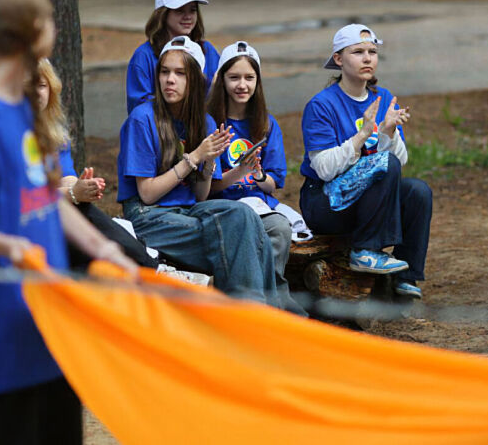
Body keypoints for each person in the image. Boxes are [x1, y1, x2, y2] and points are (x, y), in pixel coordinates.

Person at [0, 0, 136, 445]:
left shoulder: (27, 112)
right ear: (27, 32)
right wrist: (17, 247)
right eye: (47, 17)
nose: (54, 26)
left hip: (49, 313)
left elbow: (45, 197)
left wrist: (104, 246)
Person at [117, 35, 279, 304]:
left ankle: (254, 314)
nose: (170, 80)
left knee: (243, 215)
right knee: (239, 241)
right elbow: (146, 194)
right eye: (165, 72)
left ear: (195, 80)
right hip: (148, 215)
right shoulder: (142, 118)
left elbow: (201, 195)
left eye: (180, 73)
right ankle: (258, 315)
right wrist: (193, 157)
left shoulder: (204, 121)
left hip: (189, 210)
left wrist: (210, 161)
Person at [299, 24, 432, 299]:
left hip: (367, 200)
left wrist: (388, 131)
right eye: (358, 52)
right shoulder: (322, 105)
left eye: (372, 51)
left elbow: (400, 160)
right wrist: (362, 135)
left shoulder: (382, 98)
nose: (368, 58)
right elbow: (323, 170)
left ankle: (405, 278)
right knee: (385, 164)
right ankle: (366, 251)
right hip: (324, 203)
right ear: (338, 59)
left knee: (418, 191)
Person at [33, 57, 161, 270]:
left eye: (42, 85)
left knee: (82, 209)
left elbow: (66, 177)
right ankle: (146, 262)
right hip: (28, 229)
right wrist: (72, 194)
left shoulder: (54, 134)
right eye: (29, 85)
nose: (36, 92)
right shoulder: (8, 134)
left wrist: (80, 188)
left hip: (57, 217)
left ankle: (143, 260)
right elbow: (28, 197)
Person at [207, 40, 306, 314]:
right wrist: (238, 172)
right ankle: (274, 305)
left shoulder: (266, 123)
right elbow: (208, 188)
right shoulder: (209, 122)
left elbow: (274, 182)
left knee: (280, 229)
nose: (242, 85)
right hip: (223, 204)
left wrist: (257, 173)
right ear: (221, 80)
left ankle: (270, 303)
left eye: (249, 78)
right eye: (234, 77)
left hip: (259, 203)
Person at [125, 0, 220, 113]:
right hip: (160, 131)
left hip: (201, 126)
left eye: (192, 10)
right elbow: (139, 106)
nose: (188, 17)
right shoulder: (144, 55)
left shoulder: (207, 50)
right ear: (163, 14)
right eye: (180, 11)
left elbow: (219, 92)